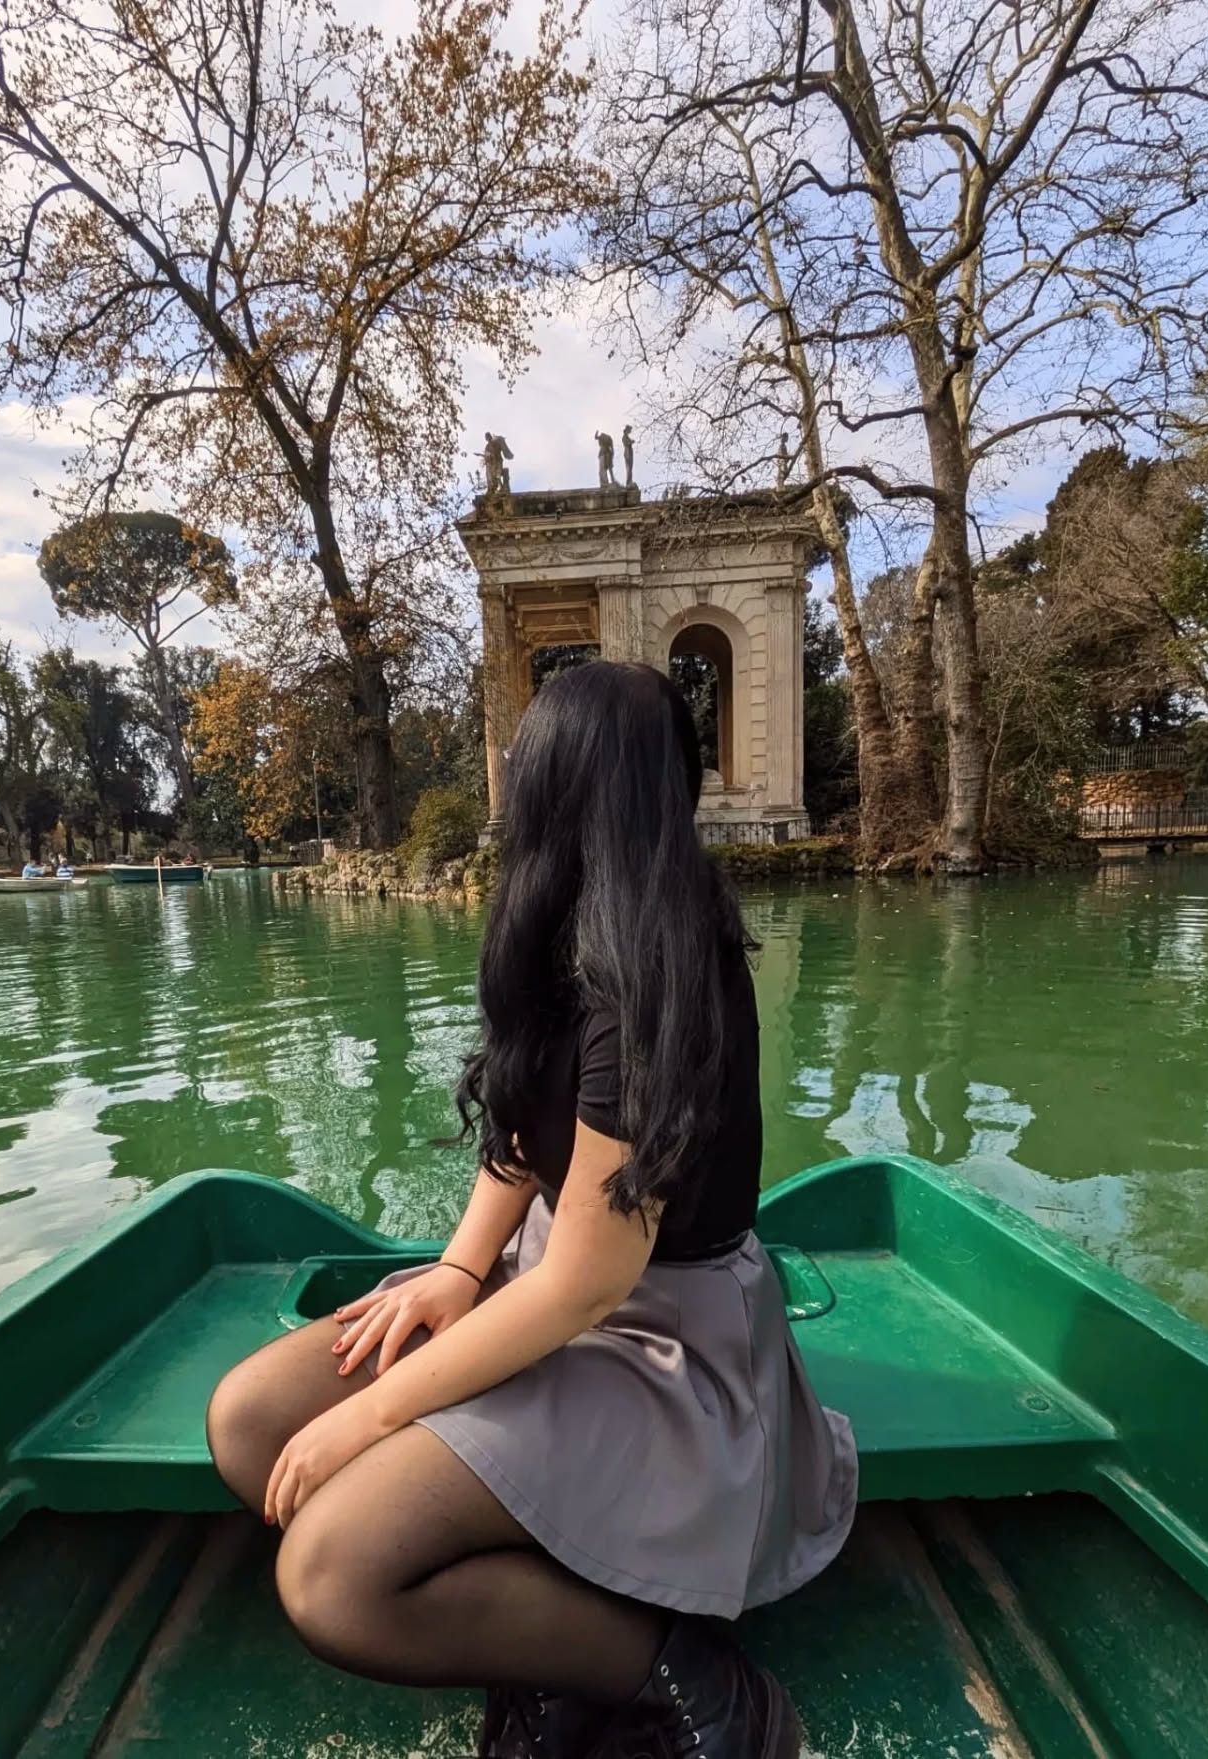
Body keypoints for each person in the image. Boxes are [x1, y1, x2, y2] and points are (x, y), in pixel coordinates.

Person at [206, 662, 857, 1759]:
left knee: (332, 1576)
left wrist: (371, 1416)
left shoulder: (663, 973)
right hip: (544, 1295)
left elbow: (591, 1281)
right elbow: (523, 1141)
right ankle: (546, 1655)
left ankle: (689, 1681)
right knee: (251, 1421)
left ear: (558, 788)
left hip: (662, 1348)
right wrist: (458, 1274)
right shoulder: (565, 928)